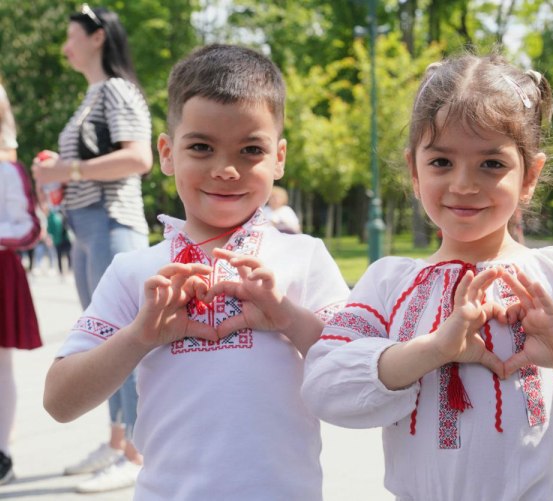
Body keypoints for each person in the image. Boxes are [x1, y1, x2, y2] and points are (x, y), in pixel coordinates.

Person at [301, 53, 553, 500]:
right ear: (414, 170)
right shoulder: (388, 283)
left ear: (529, 175)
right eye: (441, 162)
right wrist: (433, 349)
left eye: (492, 164)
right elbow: (325, 385)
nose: (465, 184)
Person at [43, 43, 349, 500]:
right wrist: (139, 335)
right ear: (167, 153)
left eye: (250, 150)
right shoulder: (136, 271)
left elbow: (358, 370)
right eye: (202, 147)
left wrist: (286, 317)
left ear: (279, 158)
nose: (226, 169)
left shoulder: (304, 257)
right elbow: (59, 401)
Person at [31, 5, 152, 492]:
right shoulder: (93, 95)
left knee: (120, 340)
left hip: (111, 223)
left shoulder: (117, 91)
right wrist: (60, 170)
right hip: (87, 228)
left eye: (70, 35)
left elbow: (139, 157)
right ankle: (117, 439)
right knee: (104, 340)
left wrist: (67, 171)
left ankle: (137, 451)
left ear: (97, 37)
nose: (65, 46)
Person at [0, 80, 42, 486]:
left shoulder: (7, 170)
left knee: (0, 365)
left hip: (0, 269)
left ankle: (2, 454)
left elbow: (30, 227)